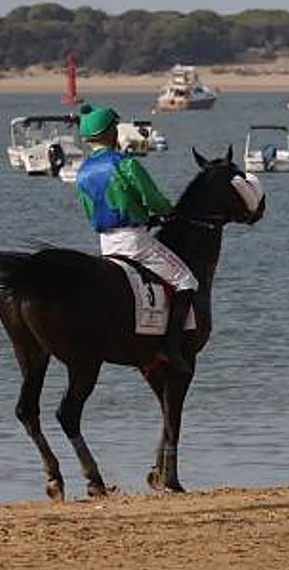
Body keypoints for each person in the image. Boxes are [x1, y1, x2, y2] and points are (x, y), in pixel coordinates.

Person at [74, 103, 199, 372]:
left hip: (105, 243)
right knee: (186, 280)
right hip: (134, 241)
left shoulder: (82, 171)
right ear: (110, 133)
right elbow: (153, 199)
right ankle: (171, 346)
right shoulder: (125, 164)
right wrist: (167, 212)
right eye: (116, 128)